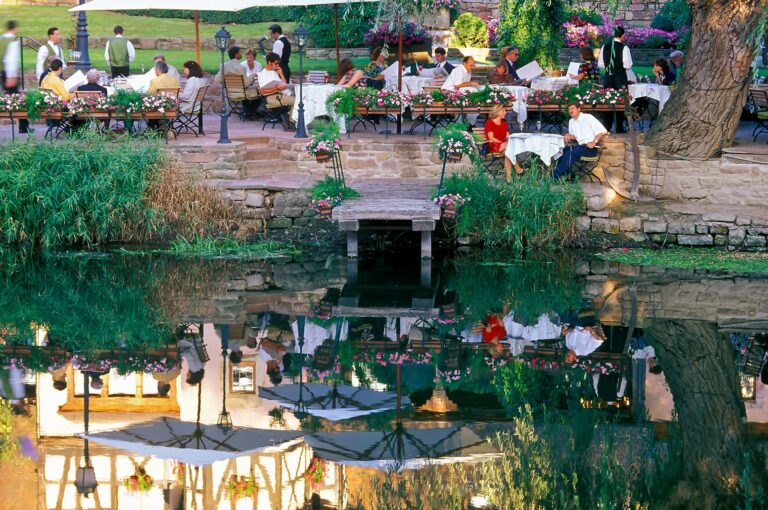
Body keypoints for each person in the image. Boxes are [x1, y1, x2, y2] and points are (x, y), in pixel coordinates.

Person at [553, 102, 607, 179]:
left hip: (590, 149)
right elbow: (575, 137)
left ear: (578, 109)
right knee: (562, 151)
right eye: (569, 109)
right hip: (579, 147)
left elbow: (601, 131)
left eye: (572, 108)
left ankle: (554, 176)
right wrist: (568, 135)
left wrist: (593, 142)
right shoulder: (571, 121)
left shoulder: (588, 117)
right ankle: (568, 175)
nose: (570, 111)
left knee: (572, 152)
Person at [598, 26, 632, 132]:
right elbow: (627, 65)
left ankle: (606, 127)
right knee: (621, 103)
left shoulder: (605, 46)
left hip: (608, 78)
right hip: (620, 78)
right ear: (623, 35)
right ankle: (619, 128)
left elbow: (601, 64)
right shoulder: (624, 47)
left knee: (607, 101)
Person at [215, 46, 261, 118]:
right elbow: (245, 85)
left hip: (229, 93)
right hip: (241, 93)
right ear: (236, 54)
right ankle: (248, 112)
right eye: (240, 52)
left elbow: (217, 80)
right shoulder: (241, 68)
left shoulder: (223, 66)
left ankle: (247, 112)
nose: (241, 54)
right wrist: (252, 75)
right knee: (260, 94)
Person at [257, 52, 296, 131]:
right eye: (276, 63)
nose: (278, 65)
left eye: (279, 63)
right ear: (269, 63)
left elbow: (284, 85)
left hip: (279, 95)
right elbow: (262, 91)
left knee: (299, 99)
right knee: (297, 101)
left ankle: (288, 118)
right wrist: (276, 89)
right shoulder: (263, 74)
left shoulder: (274, 72)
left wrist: (281, 74)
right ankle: (290, 122)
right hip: (270, 98)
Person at [2, 21, 29, 133]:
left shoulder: (2, 38)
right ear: (14, 28)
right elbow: (11, 59)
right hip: (9, 73)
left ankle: (23, 125)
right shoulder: (13, 40)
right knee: (18, 100)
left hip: (2, 71)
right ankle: (23, 126)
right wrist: (11, 76)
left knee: (11, 99)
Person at [484, 104, 516, 181]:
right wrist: (503, 143)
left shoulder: (504, 123)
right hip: (493, 145)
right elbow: (491, 138)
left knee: (508, 152)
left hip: (504, 147)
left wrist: (508, 141)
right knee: (509, 148)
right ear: (498, 112)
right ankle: (519, 169)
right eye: (503, 111)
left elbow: (507, 136)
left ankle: (509, 178)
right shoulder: (489, 122)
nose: (505, 112)